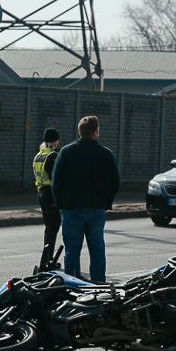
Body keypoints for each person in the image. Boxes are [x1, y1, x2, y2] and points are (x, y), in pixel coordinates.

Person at [50, 115, 120, 283]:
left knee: (72, 250)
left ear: (79, 132)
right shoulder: (106, 154)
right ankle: (98, 284)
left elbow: (56, 181)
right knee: (97, 249)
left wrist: (60, 204)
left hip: (71, 208)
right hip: (96, 208)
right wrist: (107, 202)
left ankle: (73, 285)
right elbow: (115, 182)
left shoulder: (66, 152)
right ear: (96, 132)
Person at [32, 127, 62, 269]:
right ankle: (49, 259)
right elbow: (56, 178)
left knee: (49, 227)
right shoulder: (53, 156)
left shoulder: (39, 154)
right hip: (51, 194)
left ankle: (47, 257)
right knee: (54, 226)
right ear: (55, 141)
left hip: (41, 193)